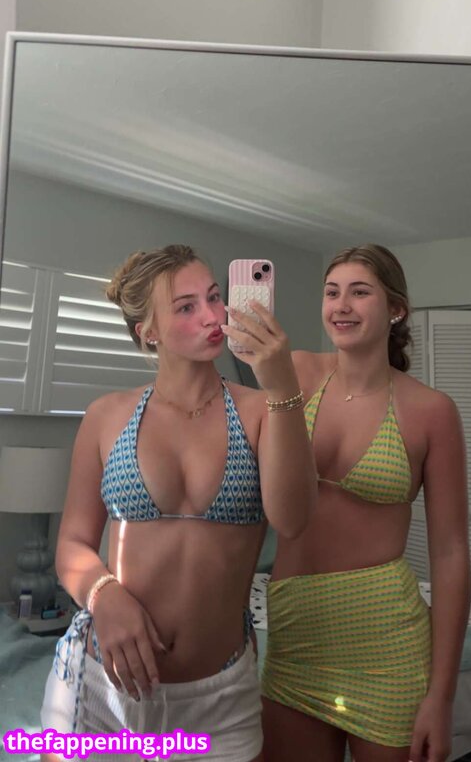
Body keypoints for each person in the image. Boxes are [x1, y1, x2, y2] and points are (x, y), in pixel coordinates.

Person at [40, 243, 317, 762]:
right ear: (148, 331)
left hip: (220, 698)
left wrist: (282, 386)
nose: (212, 316)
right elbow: (73, 544)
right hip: (101, 686)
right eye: (186, 306)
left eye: (213, 297)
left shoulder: (262, 409)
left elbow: (294, 519)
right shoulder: (106, 416)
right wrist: (104, 596)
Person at [262, 244, 471, 762]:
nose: (341, 305)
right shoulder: (295, 373)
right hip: (296, 633)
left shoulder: (431, 411)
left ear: (395, 309)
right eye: (332, 292)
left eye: (360, 292)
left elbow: (450, 554)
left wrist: (442, 697)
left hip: (386, 643)